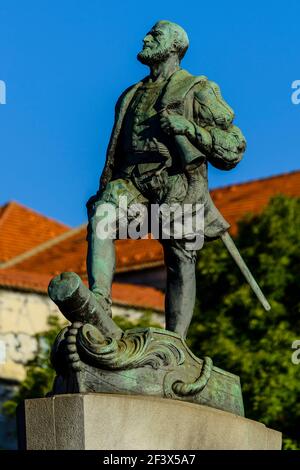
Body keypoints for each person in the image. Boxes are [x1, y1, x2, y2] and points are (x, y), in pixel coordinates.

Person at [86, 20, 246, 339]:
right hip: (132, 180)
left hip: (176, 184)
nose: (145, 39)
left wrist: (190, 129)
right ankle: (100, 299)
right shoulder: (130, 95)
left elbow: (234, 145)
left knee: (180, 258)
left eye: (154, 36)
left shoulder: (198, 89)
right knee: (102, 216)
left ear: (174, 47)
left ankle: (176, 341)